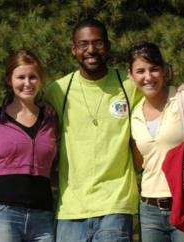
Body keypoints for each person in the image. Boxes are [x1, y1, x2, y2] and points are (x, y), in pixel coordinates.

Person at [44, 18, 143, 242]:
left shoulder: (129, 86)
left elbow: (161, 103)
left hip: (116, 206)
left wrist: (183, 89)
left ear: (107, 47)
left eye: (98, 43)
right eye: (83, 44)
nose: (91, 50)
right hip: (70, 208)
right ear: (73, 49)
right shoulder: (58, 90)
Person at [128, 42, 184, 242]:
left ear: (163, 70)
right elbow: (139, 163)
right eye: (140, 71)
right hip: (149, 210)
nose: (148, 77)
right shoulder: (134, 114)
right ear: (131, 75)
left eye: (154, 69)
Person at [0, 50, 58, 242]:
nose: (27, 83)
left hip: (42, 214)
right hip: (0, 213)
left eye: (33, 77)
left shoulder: (52, 118)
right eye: (20, 77)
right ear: (9, 79)